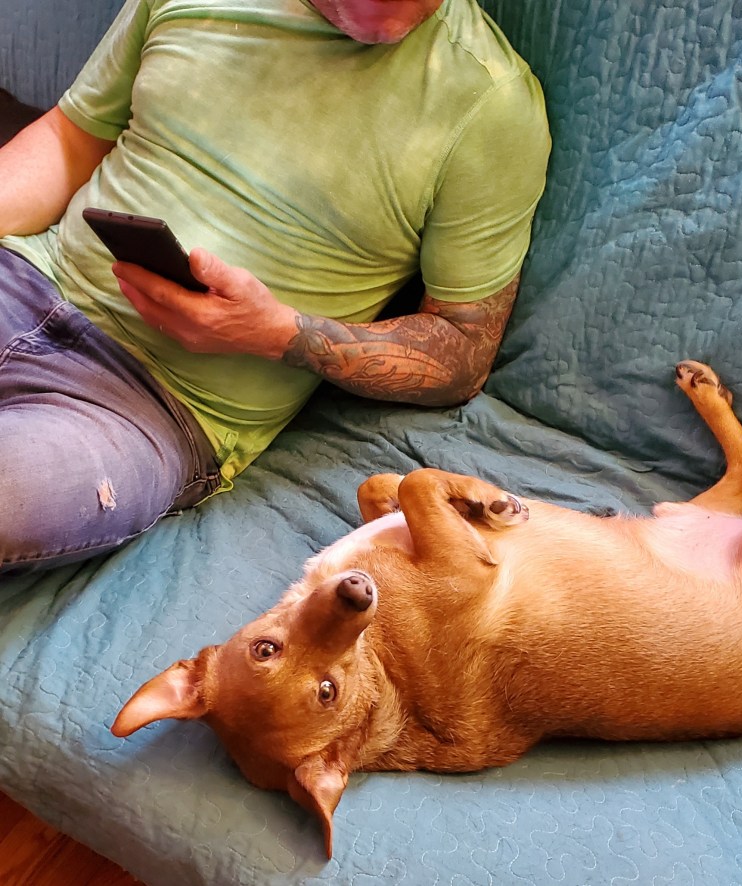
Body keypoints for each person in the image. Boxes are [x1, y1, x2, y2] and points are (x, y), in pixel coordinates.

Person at [0, 0, 551, 573]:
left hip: (150, 407)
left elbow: (464, 350)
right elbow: (72, 138)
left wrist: (279, 334)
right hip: (24, 276)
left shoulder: (492, 105)